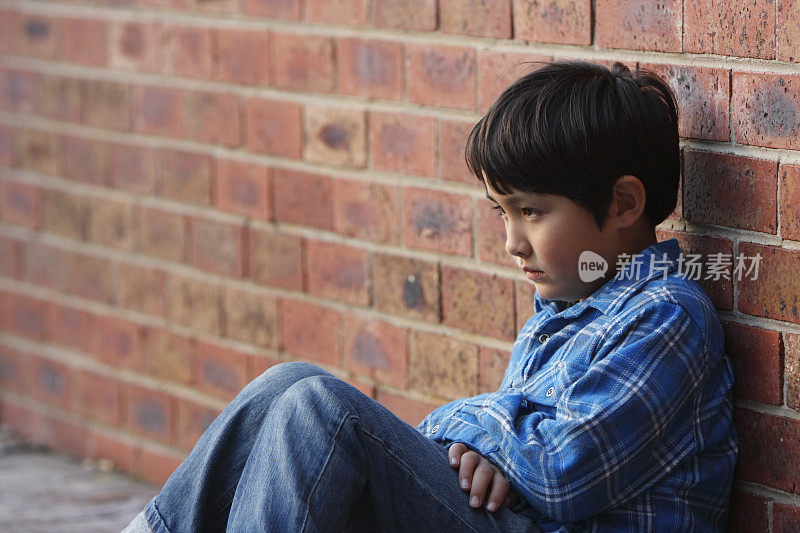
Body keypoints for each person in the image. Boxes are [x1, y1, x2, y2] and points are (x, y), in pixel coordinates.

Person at [123, 60, 738, 532]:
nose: (511, 243)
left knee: (321, 413)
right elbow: (510, 456)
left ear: (625, 204)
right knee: (282, 388)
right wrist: (483, 442)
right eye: (502, 212)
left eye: (532, 212)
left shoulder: (667, 316)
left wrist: (469, 432)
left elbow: (557, 472)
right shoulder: (567, 312)